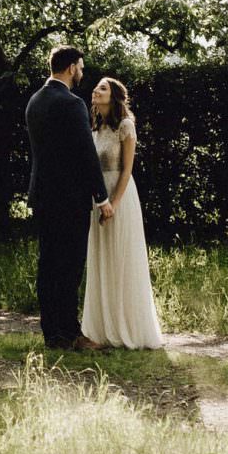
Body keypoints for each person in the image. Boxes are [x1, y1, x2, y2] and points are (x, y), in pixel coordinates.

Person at [25, 47, 113, 351]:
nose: (83, 73)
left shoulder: (35, 101)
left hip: (42, 195)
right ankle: (71, 333)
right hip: (69, 198)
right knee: (71, 266)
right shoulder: (71, 103)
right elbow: (85, 155)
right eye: (81, 67)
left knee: (48, 265)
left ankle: (52, 334)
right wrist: (101, 197)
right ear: (71, 68)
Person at [81, 77, 163, 350]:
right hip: (97, 199)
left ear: (115, 96)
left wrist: (114, 203)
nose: (96, 90)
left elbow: (127, 170)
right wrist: (98, 200)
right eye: (96, 87)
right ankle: (103, 328)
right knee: (102, 260)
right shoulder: (95, 127)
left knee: (121, 258)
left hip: (120, 197)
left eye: (102, 88)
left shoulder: (125, 126)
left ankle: (129, 327)